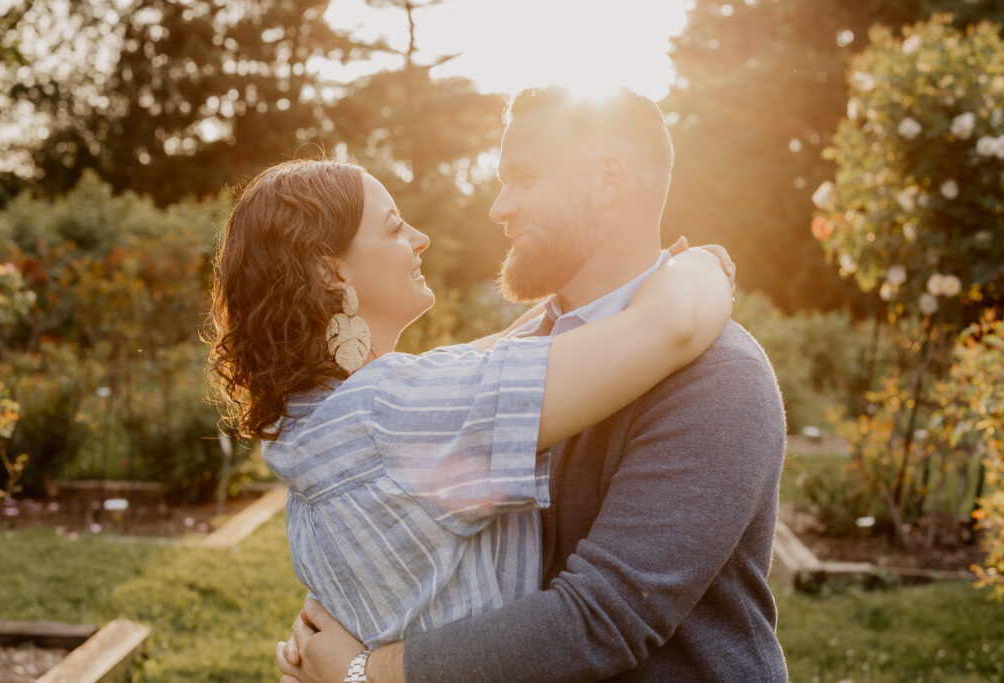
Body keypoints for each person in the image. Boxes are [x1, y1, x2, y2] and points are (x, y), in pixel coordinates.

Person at [276, 86, 788, 682]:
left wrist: (366, 672)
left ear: (607, 182)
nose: (499, 207)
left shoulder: (719, 376)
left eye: (523, 178)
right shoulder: (517, 359)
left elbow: (603, 619)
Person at [207, 158, 735, 660]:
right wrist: (701, 266)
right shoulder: (390, 410)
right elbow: (674, 326)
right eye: (394, 229)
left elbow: (497, 351)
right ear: (330, 273)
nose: (420, 238)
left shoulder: (311, 422)